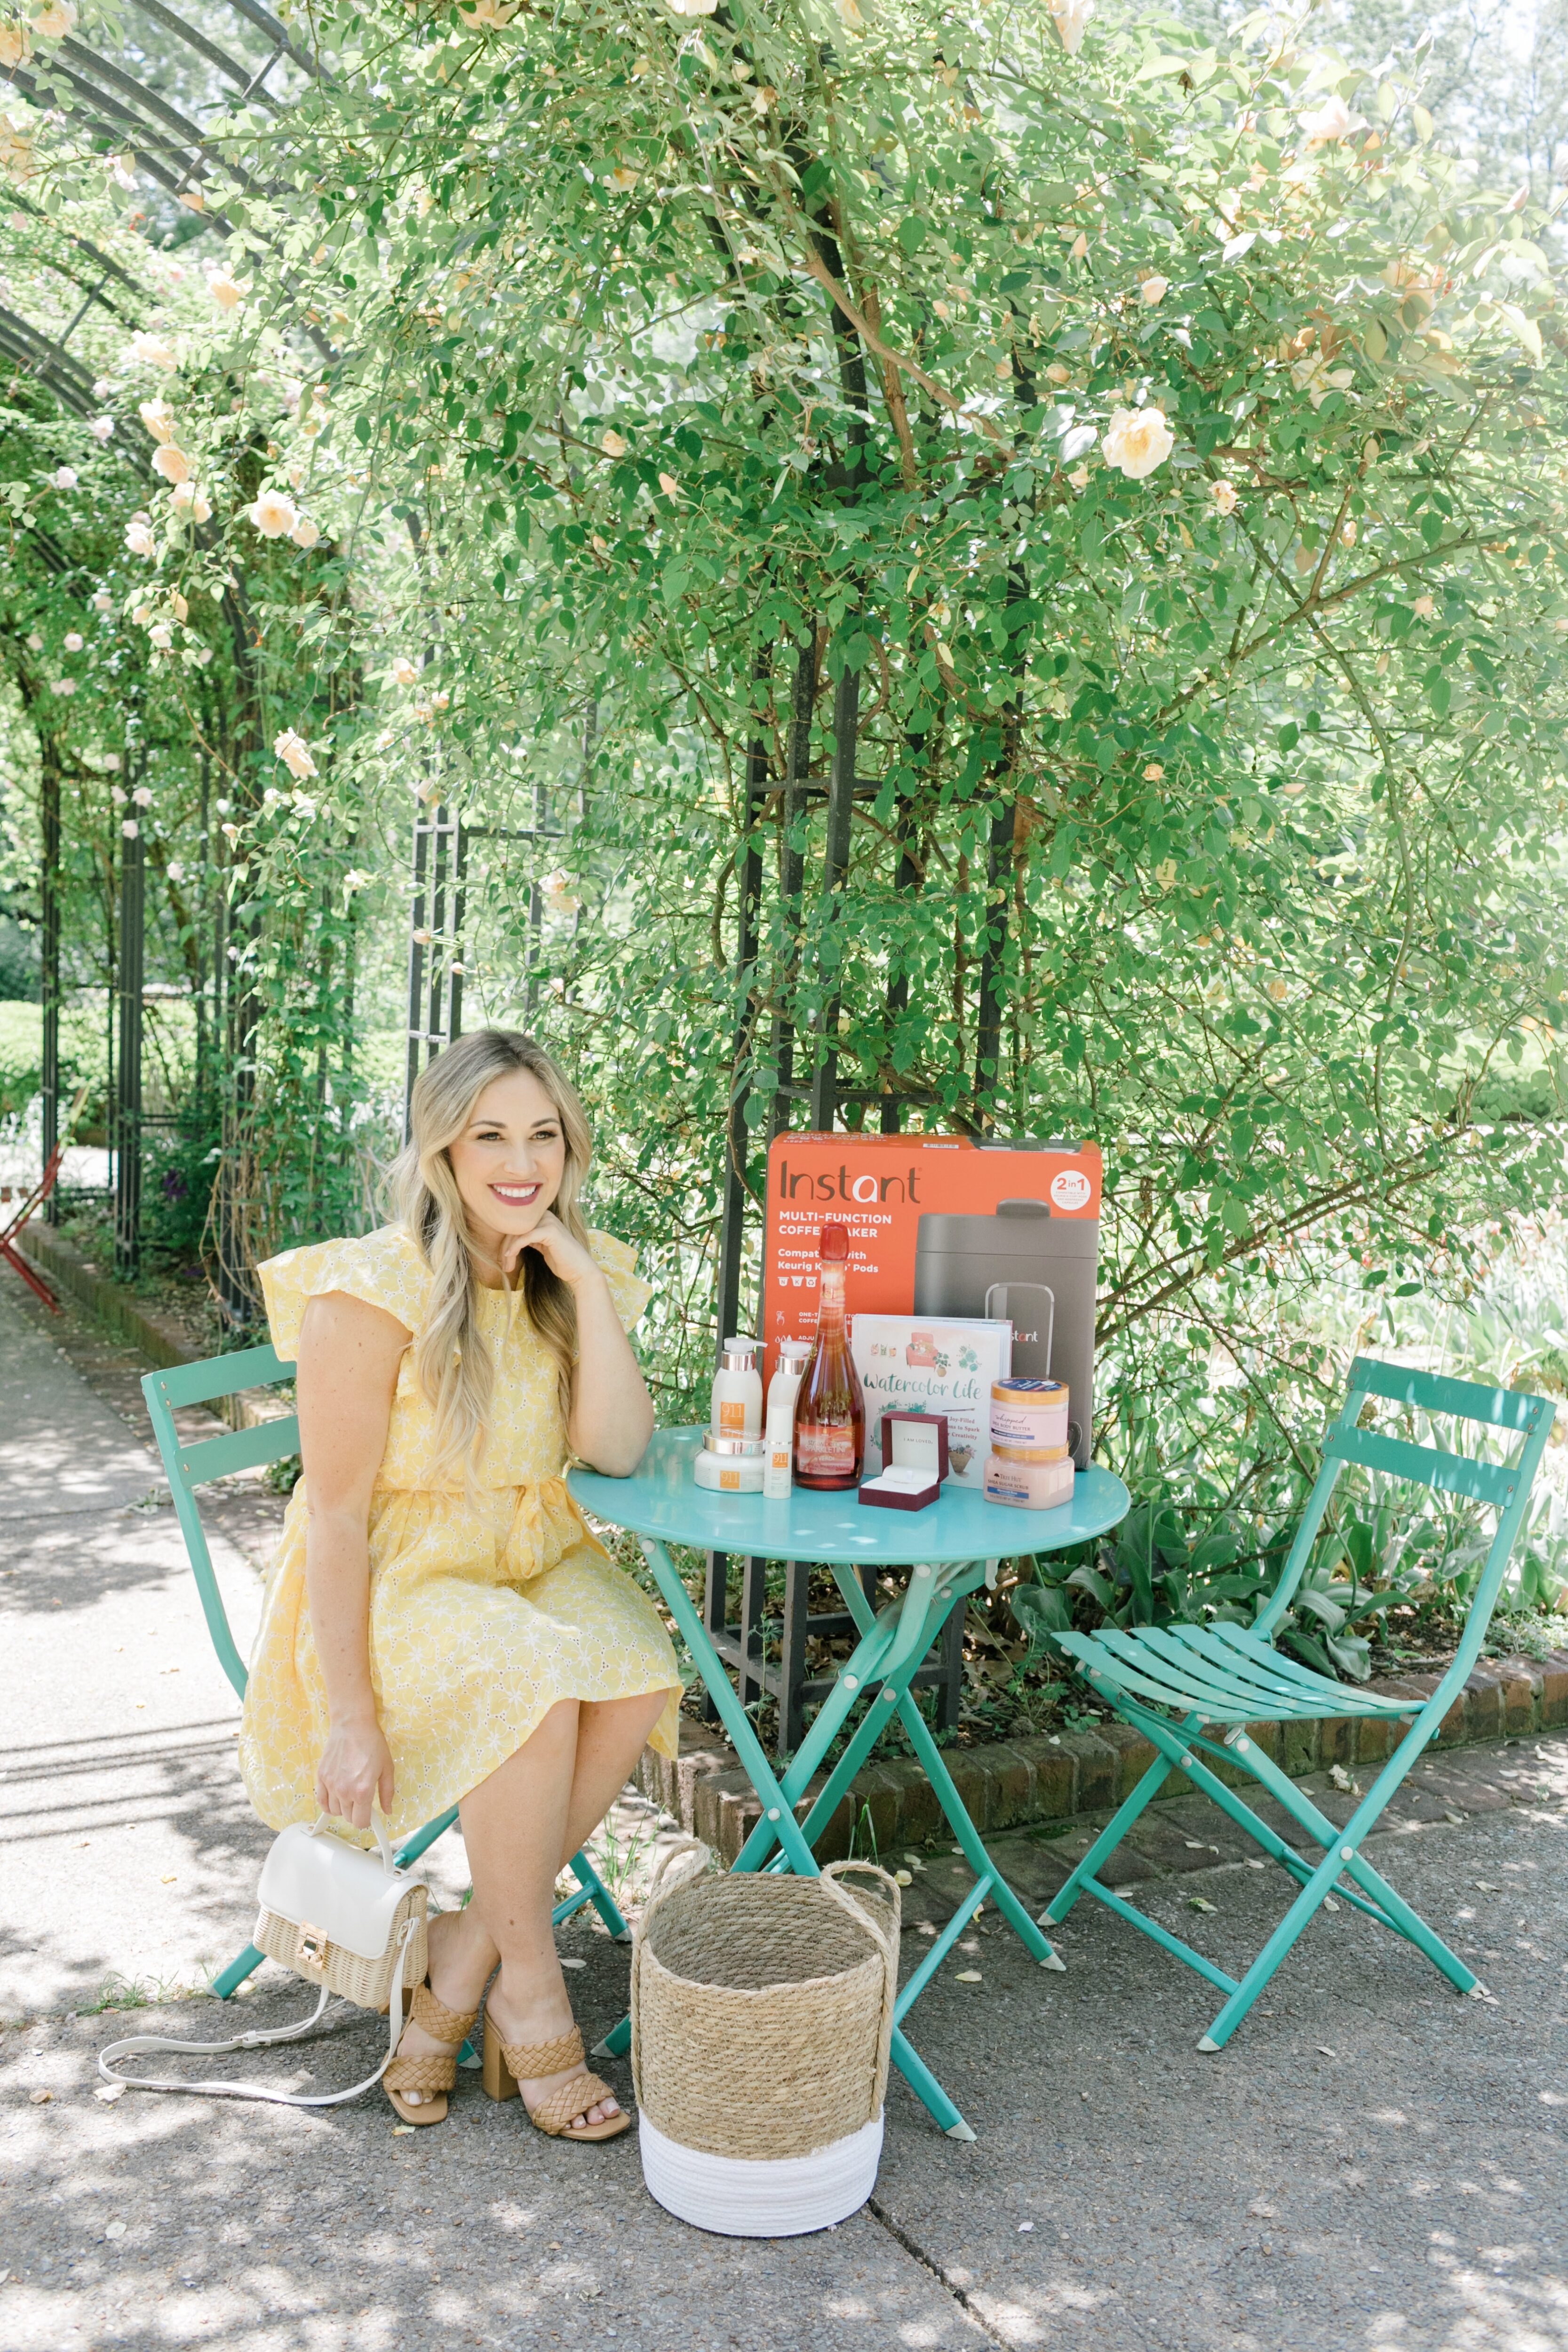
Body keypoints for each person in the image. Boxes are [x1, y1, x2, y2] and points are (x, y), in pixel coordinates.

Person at [238, 1028, 680, 2139]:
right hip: (401, 1576)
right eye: (490, 1134)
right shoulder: (370, 1286)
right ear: (442, 1145)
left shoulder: (563, 1268)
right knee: (524, 1678)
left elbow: (619, 1451)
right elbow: (334, 1516)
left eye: (542, 1134)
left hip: (532, 1555)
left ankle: (462, 1953)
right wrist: (349, 1715)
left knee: (634, 1668)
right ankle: (529, 1991)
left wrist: (579, 1279)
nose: (518, 1162)